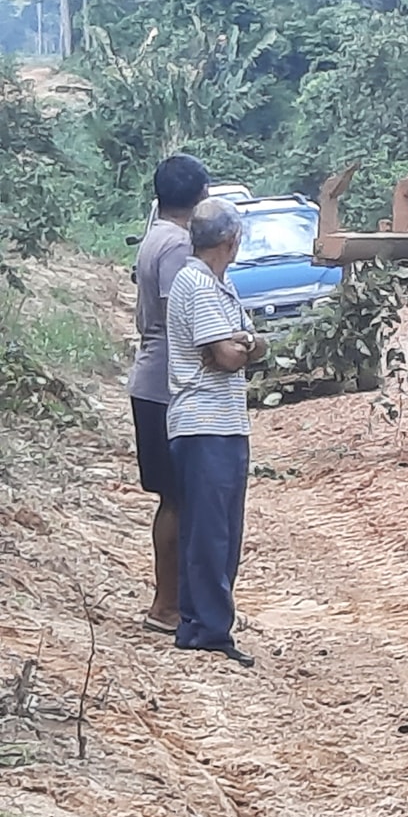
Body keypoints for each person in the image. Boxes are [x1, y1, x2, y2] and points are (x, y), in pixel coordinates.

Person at [165, 197, 266, 668]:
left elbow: (247, 343)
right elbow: (226, 354)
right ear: (232, 240)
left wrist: (243, 344)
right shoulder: (199, 287)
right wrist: (242, 345)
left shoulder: (216, 285)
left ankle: (201, 622)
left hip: (222, 422)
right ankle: (208, 627)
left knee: (219, 528)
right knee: (211, 532)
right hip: (204, 423)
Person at [128, 154, 209, 635]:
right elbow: (183, 317)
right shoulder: (177, 246)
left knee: (172, 497)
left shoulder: (155, 235)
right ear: (199, 197)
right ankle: (166, 605)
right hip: (165, 387)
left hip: (153, 381)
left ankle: (173, 600)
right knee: (177, 497)